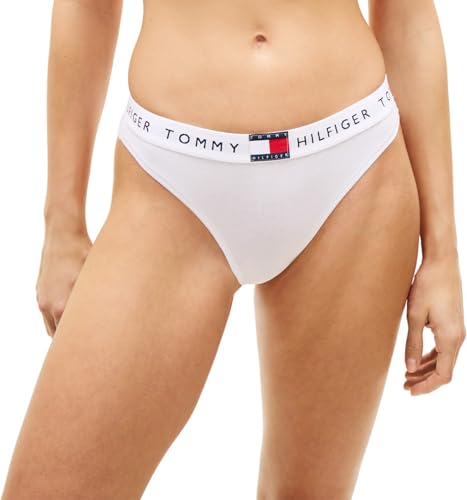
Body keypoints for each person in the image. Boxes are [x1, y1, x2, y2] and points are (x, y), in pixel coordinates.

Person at [1, 0, 465, 499]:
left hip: (354, 169)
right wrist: (63, 221)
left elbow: (407, 14)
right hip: (172, 182)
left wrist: (442, 252)